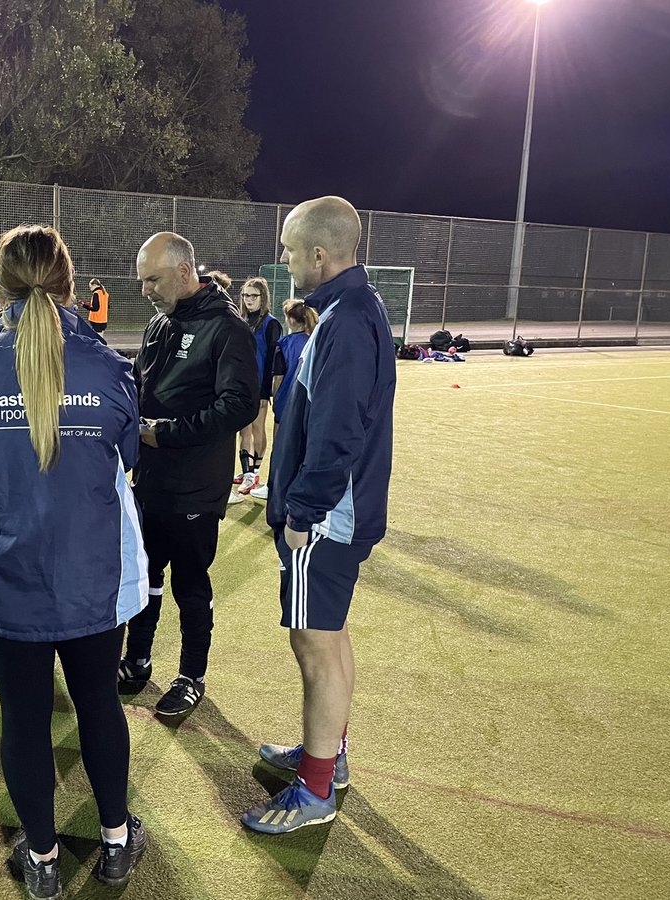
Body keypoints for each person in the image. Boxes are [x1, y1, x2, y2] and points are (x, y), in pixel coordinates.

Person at [0, 225, 149, 900]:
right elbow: (129, 458)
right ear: (69, 284)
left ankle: (42, 859)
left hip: (6, 578)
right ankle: (116, 843)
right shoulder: (112, 368)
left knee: (24, 717)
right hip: (90, 575)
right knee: (98, 704)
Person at [242, 197, 396, 834]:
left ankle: (315, 791)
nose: (283, 259)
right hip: (334, 513)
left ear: (319, 255)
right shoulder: (345, 311)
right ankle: (327, 758)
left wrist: (302, 510)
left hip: (327, 519)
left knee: (314, 645)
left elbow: (338, 434)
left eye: (288, 249)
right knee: (327, 636)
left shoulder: (345, 320)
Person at [120, 233, 259, 717]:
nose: (145, 290)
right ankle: (137, 660)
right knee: (145, 574)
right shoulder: (161, 323)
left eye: (152, 279)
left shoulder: (226, 329)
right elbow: (142, 380)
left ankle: (191, 675)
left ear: (184, 272)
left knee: (190, 584)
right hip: (150, 478)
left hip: (196, 484)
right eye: (142, 280)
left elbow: (239, 405)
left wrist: (169, 433)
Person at [249, 299, 316, 501]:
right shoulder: (316, 342)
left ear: (290, 320)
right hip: (310, 405)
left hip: (286, 404)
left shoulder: (284, 344)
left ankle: (274, 488)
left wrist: (276, 399)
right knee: (303, 448)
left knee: (280, 448)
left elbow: (277, 379)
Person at [235, 277, 282, 497]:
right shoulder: (240, 319)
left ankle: (254, 472)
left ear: (263, 298)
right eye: (246, 295)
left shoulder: (271, 324)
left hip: (259, 385)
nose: (249, 299)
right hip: (240, 384)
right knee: (243, 429)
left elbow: (272, 359)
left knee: (257, 428)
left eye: (253, 295)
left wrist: (266, 390)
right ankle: (246, 473)